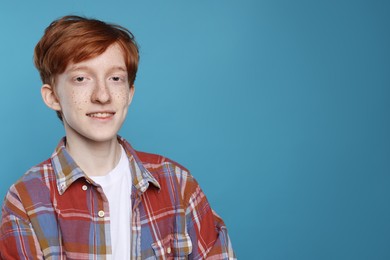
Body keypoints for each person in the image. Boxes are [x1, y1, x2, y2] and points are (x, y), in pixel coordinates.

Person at [0, 15, 235, 259]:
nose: (102, 95)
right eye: (81, 78)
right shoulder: (26, 200)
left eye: (115, 78)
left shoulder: (178, 184)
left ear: (129, 92)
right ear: (53, 97)